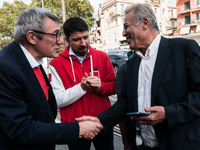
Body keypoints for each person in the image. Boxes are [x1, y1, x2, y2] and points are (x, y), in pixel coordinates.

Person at [77, 3, 200, 150]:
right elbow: (126, 103)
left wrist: (168, 113)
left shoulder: (184, 49)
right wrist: (98, 120)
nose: (123, 33)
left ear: (145, 23)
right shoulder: (133, 62)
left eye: (126, 26)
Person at [0, 8, 103, 150]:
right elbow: (21, 129)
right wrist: (76, 129)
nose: (61, 41)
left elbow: (42, 115)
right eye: (55, 35)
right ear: (32, 37)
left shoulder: (34, 61)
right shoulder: (5, 67)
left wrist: (76, 128)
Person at [49, 17, 116, 150]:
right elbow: (56, 100)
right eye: (76, 39)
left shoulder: (102, 57)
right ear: (67, 40)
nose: (83, 43)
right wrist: (81, 88)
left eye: (86, 37)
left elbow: (113, 87)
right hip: (75, 127)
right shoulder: (55, 63)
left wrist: (100, 87)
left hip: (102, 122)